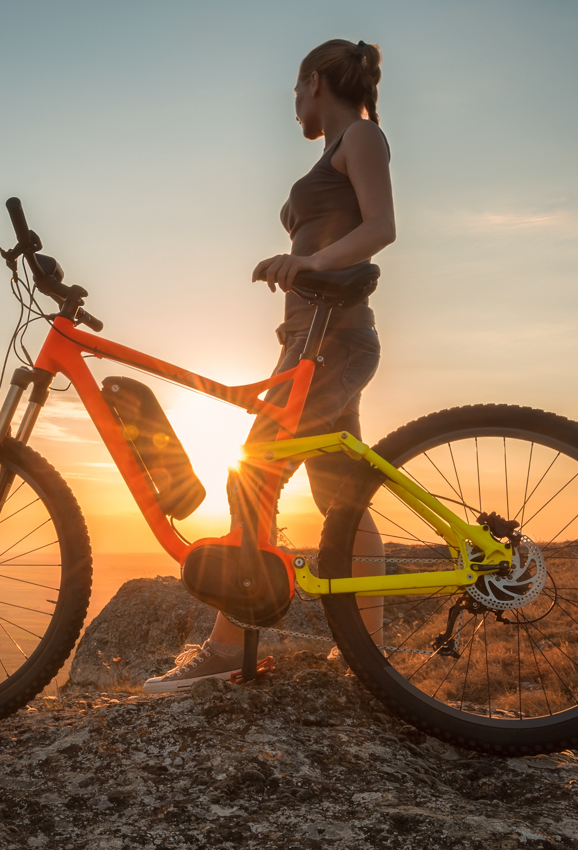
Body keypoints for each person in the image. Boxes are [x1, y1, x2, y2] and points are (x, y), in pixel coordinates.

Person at [144, 38, 395, 693]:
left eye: (293, 90)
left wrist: (310, 263)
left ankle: (229, 646)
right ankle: (367, 652)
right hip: (310, 340)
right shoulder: (332, 152)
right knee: (342, 495)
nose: (292, 105)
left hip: (332, 340)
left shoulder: (361, 139)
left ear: (315, 82)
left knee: (253, 471)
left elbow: (382, 226)